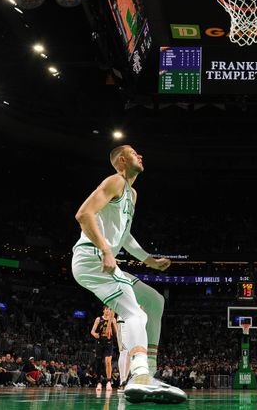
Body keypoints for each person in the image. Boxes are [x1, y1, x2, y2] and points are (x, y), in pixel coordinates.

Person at [72, 145, 186, 403]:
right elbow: (83, 214)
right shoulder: (115, 181)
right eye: (135, 153)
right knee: (134, 312)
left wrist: (149, 261)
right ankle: (140, 375)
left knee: (155, 301)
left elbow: (124, 236)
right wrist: (105, 250)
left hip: (102, 259)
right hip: (92, 256)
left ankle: (149, 371)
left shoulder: (131, 194)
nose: (141, 155)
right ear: (122, 160)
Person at [91, 305, 117, 392]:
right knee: (98, 363)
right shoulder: (99, 319)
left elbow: (116, 333)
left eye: (110, 309)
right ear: (103, 311)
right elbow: (92, 331)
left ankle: (109, 382)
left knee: (108, 361)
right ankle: (99, 382)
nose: (108, 310)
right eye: (106, 309)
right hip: (99, 342)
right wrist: (95, 334)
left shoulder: (113, 319)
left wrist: (113, 323)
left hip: (109, 342)